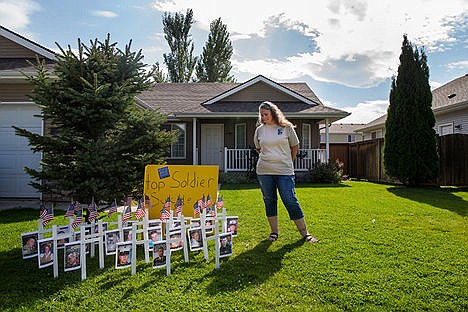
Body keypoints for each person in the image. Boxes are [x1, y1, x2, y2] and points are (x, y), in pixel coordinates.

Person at [254, 101, 318, 243]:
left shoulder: (287, 128)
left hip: (284, 171)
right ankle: (274, 233)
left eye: (266, 114)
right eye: (262, 115)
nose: (263, 117)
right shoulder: (259, 130)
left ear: (274, 113)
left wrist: (289, 160)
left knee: (290, 200)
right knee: (269, 200)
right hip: (264, 171)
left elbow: (295, 146)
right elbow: (258, 148)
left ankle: (305, 233)